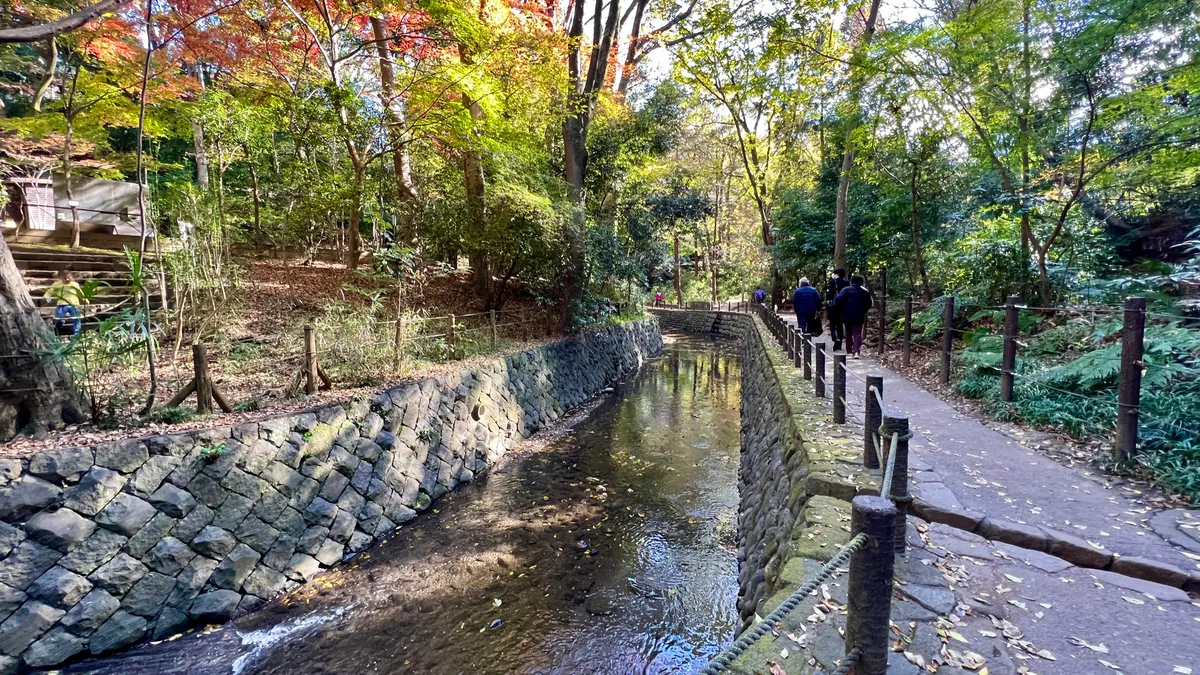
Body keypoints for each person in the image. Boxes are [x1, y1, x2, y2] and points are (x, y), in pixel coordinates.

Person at [834, 274, 873, 356]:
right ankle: (856, 351)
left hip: (846, 314)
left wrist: (842, 308)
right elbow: (869, 303)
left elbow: (838, 300)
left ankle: (849, 351)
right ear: (862, 282)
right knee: (857, 332)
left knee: (848, 332)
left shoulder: (845, 290)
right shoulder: (864, 292)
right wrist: (864, 310)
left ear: (851, 281)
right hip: (859, 315)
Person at [44, 269, 83, 337]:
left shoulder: (75, 284)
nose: (67, 279)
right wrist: (47, 296)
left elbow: (80, 293)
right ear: (60, 278)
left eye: (69, 277)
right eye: (65, 278)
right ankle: (58, 330)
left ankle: (77, 334)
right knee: (58, 319)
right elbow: (50, 291)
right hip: (62, 304)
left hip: (74, 304)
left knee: (76, 319)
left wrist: (85, 299)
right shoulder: (57, 284)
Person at [825, 269, 850, 350]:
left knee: (832, 324)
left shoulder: (833, 282)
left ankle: (835, 338)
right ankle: (840, 339)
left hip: (833, 307)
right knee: (840, 324)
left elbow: (830, 294)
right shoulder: (847, 283)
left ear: (836, 274)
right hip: (843, 307)